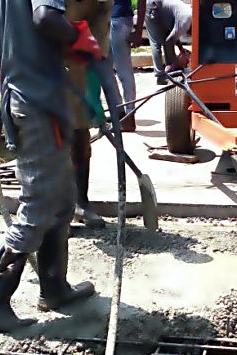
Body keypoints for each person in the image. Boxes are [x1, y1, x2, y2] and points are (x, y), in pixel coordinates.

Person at [0, 0, 103, 331]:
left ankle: (54, 287)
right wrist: (78, 37)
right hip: (39, 104)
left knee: (61, 199)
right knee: (38, 208)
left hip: (27, 98)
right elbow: (46, 18)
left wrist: (20, 65)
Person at [65, 0, 112, 228]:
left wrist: (95, 88)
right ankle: (55, 213)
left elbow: (101, 31)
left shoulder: (100, 6)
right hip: (47, 61)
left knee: (80, 136)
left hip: (80, 62)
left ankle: (80, 203)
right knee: (51, 138)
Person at [111, 0, 147, 132]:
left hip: (117, 20)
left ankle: (128, 115)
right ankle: (123, 114)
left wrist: (138, 31)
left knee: (122, 71)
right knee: (109, 71)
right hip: (117, 19)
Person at [146, 0, 192, 83]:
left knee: (167, 38)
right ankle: (160, 76)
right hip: (152, 6)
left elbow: (173, 34)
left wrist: (181, 49)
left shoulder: (189, 18)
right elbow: (169, 42)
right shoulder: (185, 23)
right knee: (156, 43)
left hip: (162, 8)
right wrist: (176, 63)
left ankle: (172, 73)